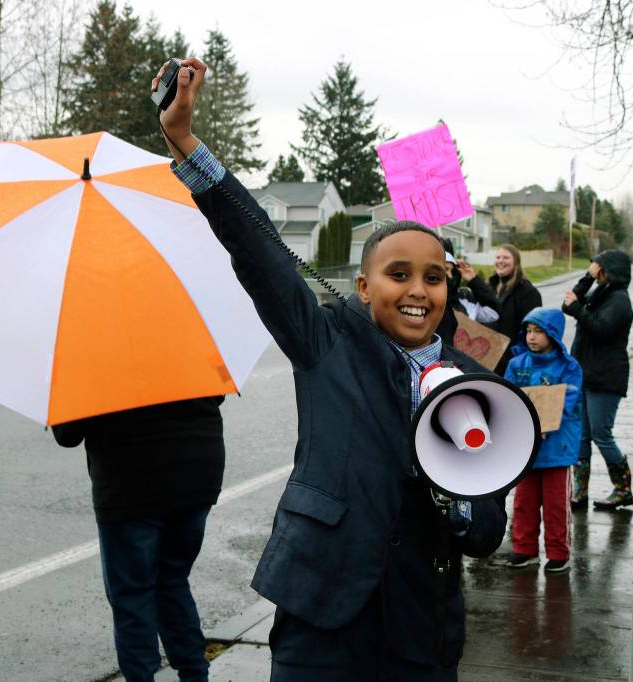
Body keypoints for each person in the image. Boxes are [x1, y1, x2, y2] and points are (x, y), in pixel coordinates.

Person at [155, 57, 507, 681]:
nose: (417, 290)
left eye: (433, 277)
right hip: (321, 619)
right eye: (398, 275)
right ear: (365, 287)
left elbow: (483, 533)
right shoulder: (326, 341)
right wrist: (186, 143)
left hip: (419, 632)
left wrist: (457, 497)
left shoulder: (474, 385)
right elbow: (259, 248)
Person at [50, 397, 225, 682]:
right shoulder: (186, 348)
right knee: (172, 581)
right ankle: (195, 675)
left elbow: (68, 433)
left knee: (133, 596)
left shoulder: (90, 355)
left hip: (130, 484)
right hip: (197, 470)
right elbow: (215, 393)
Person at [500, 307, 583, 573]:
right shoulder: (517, 364)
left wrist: (547, 420)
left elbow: (569, 399)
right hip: (527, 448)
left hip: (557, 447)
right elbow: (507, 396)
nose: (532, 337)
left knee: (556, 504)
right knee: (523, 501)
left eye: (539, 332)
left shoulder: (569, 367)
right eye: (529, 331)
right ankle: (524, 548)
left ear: (554, 335)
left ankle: (559, 552)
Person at [562, 250, 633, 510]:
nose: (594, 268)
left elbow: (601, 329)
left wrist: (579, 309)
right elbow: (568, 305)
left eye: (598, 266)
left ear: (609, 269)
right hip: (585, 373)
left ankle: (623, 489)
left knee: (601, 434)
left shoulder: (619, 300)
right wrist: (587, 279)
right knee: (581, 435)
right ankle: (579, 492)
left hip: (605, 377)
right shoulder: (601, 292)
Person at [486, 244, 542, 375]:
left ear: (516, 262)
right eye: (498, 257)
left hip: (513, 361)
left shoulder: (528, 292)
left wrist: (517, 356)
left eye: (506, 257)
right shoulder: (489, 287)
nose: (500, 261)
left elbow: (532, 329)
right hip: (488, 357)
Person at [434, 238, 501, 344]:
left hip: (458, 360)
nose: (450, 276)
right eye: (446, 269)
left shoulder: (463, 298)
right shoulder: (422, 303)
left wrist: (474, 280)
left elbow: (494, 313)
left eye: (452, 270)